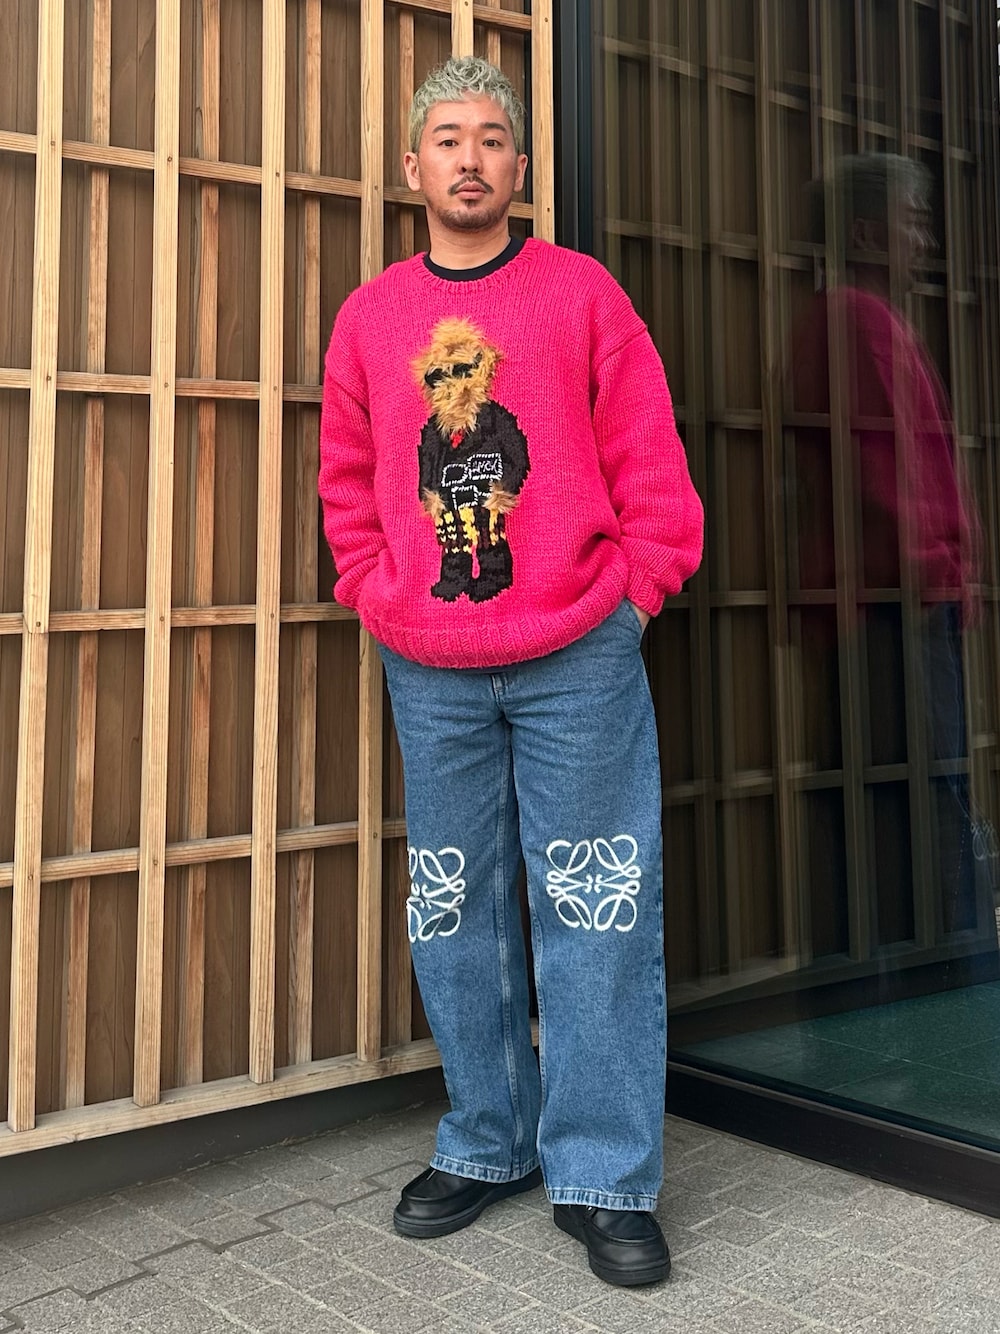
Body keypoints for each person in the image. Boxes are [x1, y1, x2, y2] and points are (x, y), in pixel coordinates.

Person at [319, 56, 703, 1288]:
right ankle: (486, 1138)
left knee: (596, 907)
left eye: (491, 137)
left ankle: (604, 1174)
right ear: (413, 166)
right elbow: (346, 477)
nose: (470, 157)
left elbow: (648, 456)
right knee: (454, 907)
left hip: (577, 650)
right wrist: (372, 588)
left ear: (520, 167)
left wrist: (636, 592)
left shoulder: (581, 293)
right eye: (447, 138)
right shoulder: (370, 317)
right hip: (428, 660)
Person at [791, 153, 992, 934]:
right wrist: (940, 566)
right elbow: (883, 475)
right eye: (914, 224)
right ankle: (945, 971)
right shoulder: (857, 320)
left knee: (886, 801)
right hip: (891, 603)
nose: (925, 243)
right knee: (926, 796)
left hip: (882, 599)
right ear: (870, 235)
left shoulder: (855, 318)